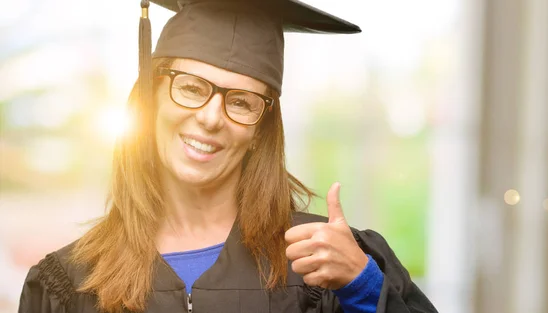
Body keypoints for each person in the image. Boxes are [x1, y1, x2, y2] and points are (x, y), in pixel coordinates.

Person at [18, 0, 438, 312]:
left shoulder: (318, 265)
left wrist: (362, 287)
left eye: (241, 101)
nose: (210, 118)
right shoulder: (67, 283)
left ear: (261, 129)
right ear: (151, 99)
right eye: (191, 87)